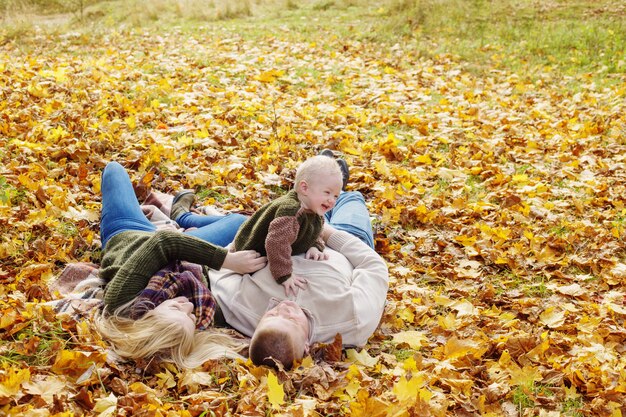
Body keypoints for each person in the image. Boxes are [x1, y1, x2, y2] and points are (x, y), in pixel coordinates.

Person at [208, 155, 388, 369]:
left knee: (320, 202)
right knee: (353, 199)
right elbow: (373, 266)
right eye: (292, 320)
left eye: (272, 314)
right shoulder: (353, 322)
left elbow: (223, 265)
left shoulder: (242, 306)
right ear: (306, 347)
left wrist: (239, 258)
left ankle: (321, 185)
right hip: (344, 241)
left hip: (298, 229)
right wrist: (328, 234)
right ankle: (331, 187)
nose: (286, 307)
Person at [94, 161, 267, 369]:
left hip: (130, 231)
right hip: (184, 254)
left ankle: (181, 217)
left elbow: (164, 242)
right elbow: (239, 314)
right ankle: (182, 216)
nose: (189, 305)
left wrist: (228, 261)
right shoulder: (203, 313)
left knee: (114, 170)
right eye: (191, 317)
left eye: (177, 307)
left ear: (150, 318)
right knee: (240, 222)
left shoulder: (123, 300)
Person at [230, 155, 345, 297]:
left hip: (280, 244)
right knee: (277, 242)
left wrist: (315, 245)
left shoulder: (313, 208)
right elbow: (275, 243)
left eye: (336, 196)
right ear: (304, 188)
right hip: (252, 249)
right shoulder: (291, 212)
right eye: (327, 192)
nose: (331, 200)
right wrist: (284, 275)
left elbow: (315, 229)